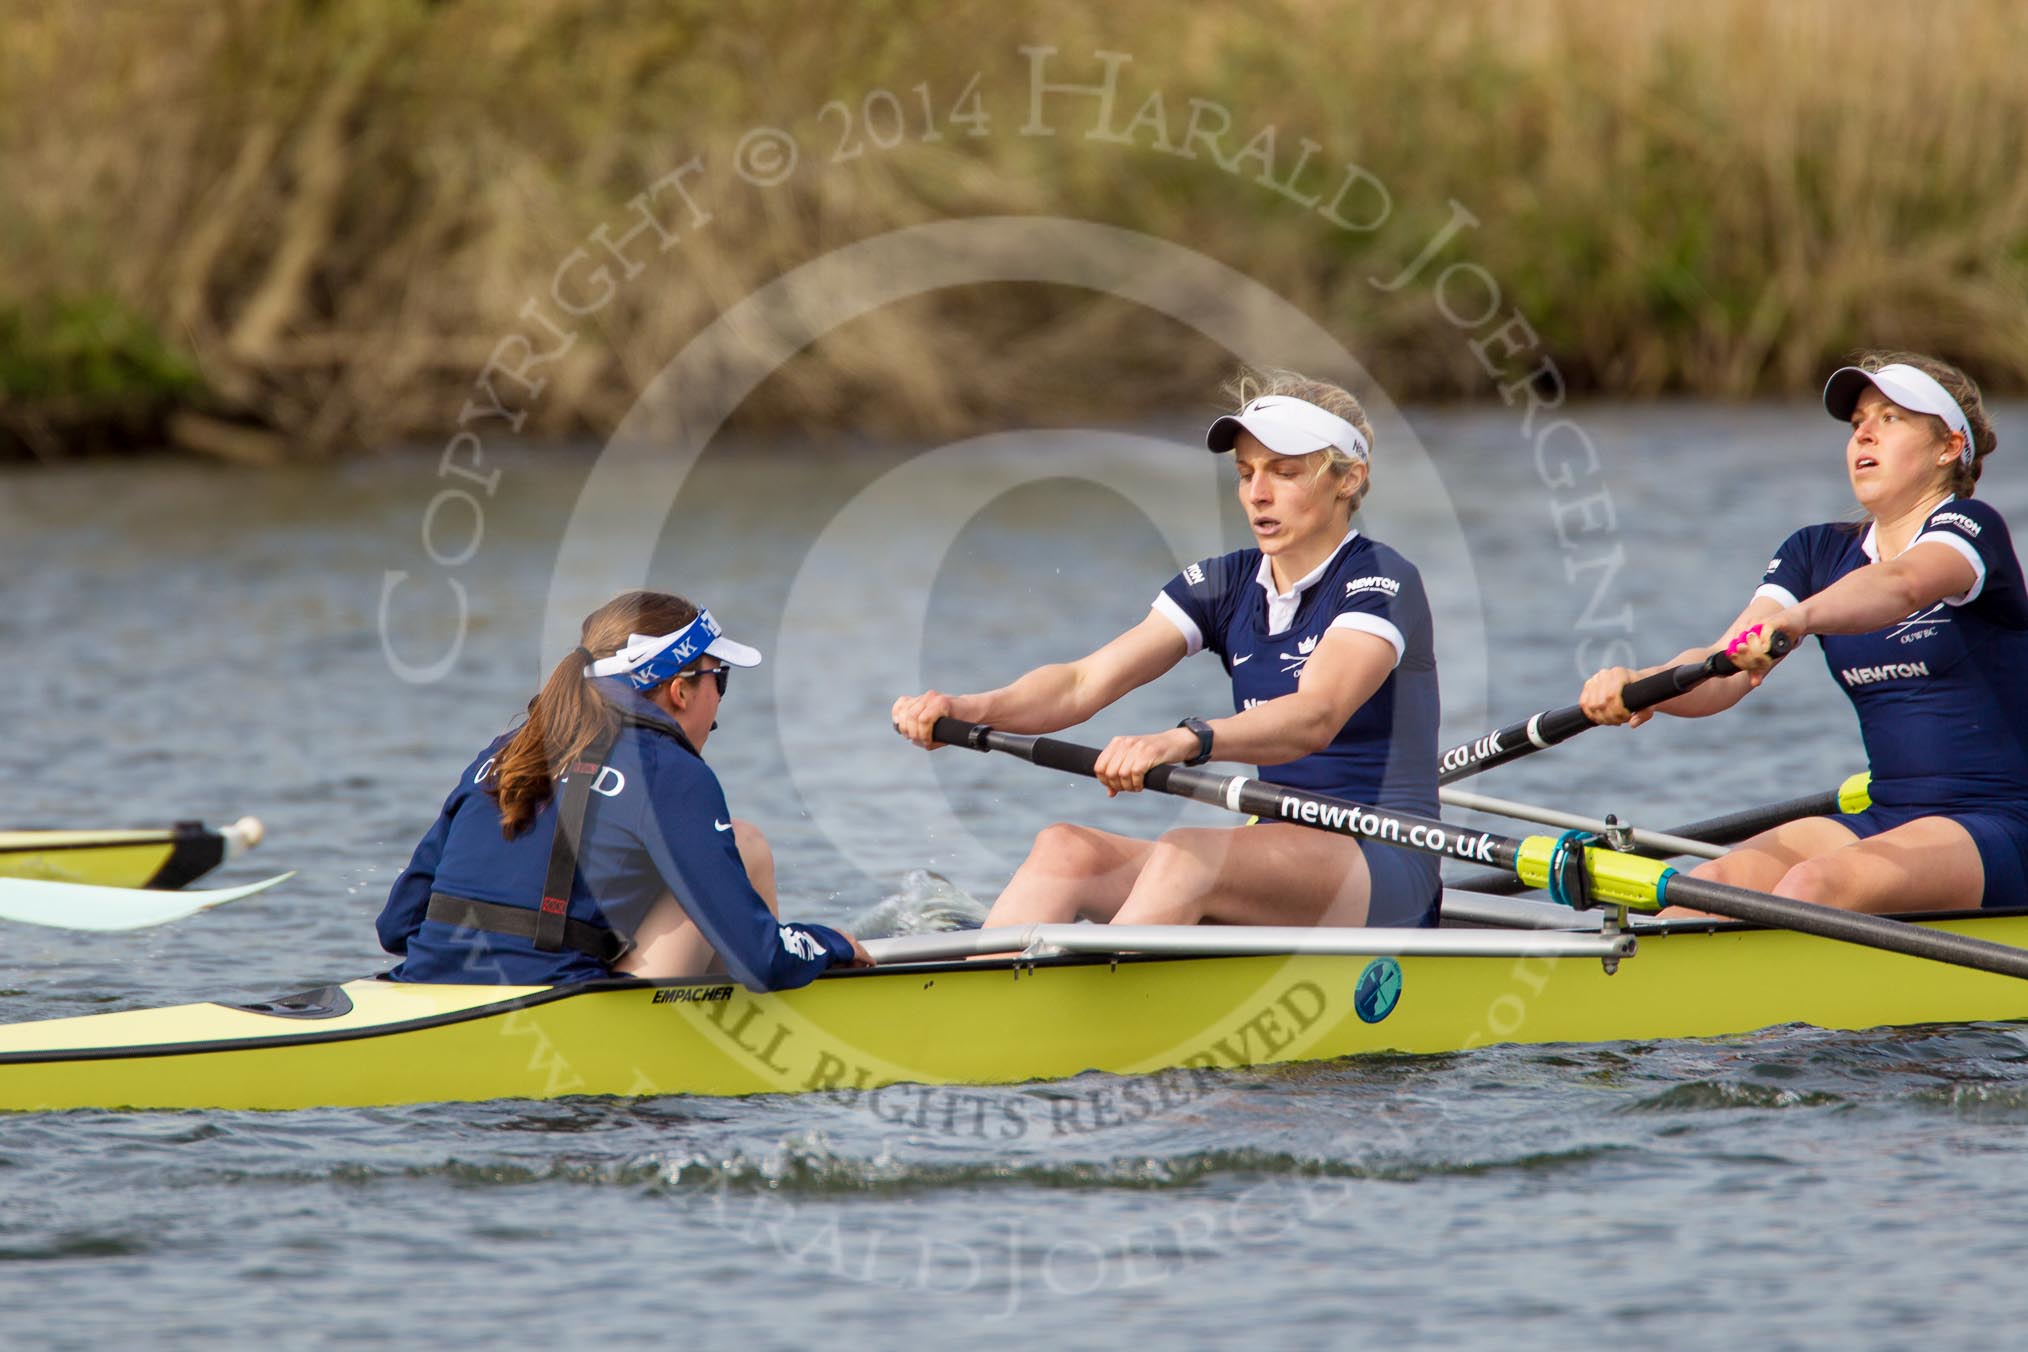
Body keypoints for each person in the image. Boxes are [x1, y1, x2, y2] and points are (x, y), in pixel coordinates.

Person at [892, 371, 1443, 929]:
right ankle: (986, 992)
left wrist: (1186, 739)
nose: (1257, 494)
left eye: (1285, 472)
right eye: (1246, 473)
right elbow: (1084, 682)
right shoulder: (1226, 584)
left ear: (1348, 480)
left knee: (1189, 854)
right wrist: (968, 708)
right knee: (1065, 850)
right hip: (1273, 848)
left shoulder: (1380, 580)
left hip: (1384, 859)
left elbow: (1316, 716)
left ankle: (1091, 998)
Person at [1580, 350, 2027, 914]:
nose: (1865, 434)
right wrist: (1644, 684)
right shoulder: (1816, 552)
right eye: (1858, 422)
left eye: (1890, 419)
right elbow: (1725, 666)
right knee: (1704, 891)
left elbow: (1905, 584)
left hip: (2000, 821)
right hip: (1886, 817)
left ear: (1948, 448)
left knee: (1810, 889)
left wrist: (1799, 618)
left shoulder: (1971, 529)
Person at [378, 590, 871, 986]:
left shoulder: (506, 750)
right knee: (746, 846)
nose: (720, 697)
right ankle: (742, 1036)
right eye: (719, 679)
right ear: (680, 690)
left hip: (426, 982)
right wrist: (830, 943)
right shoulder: (668, 770)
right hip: (552, 1006)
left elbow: (397, 925)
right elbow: (762, 959)